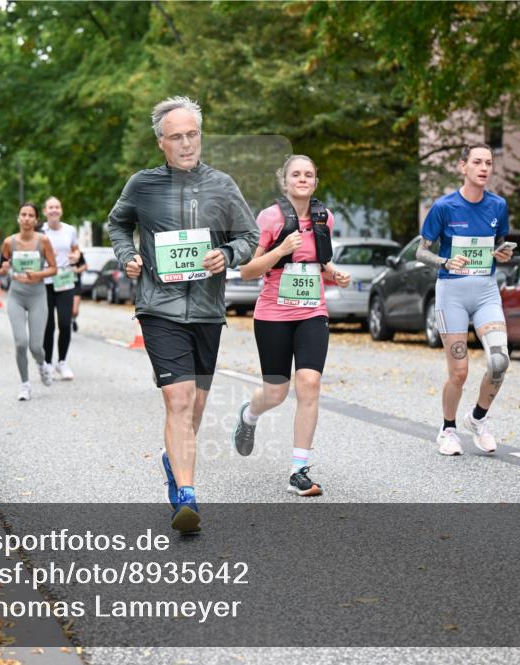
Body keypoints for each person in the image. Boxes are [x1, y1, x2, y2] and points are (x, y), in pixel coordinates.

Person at [107, 96, 259, 533]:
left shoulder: (222, 185)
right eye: (177, 137)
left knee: (195, 408)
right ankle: (187, 498)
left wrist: (227, 254)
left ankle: (174, 462)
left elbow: (249, 236)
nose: (187, 143)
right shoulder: (142, 185)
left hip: (207, 311)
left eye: (193, 134)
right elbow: (118, 224)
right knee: (178, 398)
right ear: (162, 142)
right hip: (160, 307)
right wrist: (128, 256)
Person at [231, 155, 351, 496]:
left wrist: (335, 274)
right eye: (296, 174)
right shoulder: (270, 217)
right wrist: (281, 248)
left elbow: (320, 263)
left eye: (308, 174)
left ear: (315, 182)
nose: (302, 179)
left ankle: (299, 470)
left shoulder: (324, 217)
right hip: (273, 314)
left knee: (309, 384)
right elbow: (248, 270)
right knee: (276, 393)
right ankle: (249, 415)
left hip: (313, 312)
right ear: (285, 182)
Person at [416, 143, 514, 456]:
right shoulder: (444, 207)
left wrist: (503, 254)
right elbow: (421, 251)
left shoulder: (498, 206)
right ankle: (447, 430)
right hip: (452, 295)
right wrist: (444, 261)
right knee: (459, 372)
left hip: (486, 292)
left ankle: (478, 418)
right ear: (463, 166)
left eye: (488, 162)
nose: (484, 168)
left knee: (499, 361)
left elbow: (500, 247)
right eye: (477, 162)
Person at [0, 203, 58, 400]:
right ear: (18, 218)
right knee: (20, 342)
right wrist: (4, 268)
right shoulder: (9, 242)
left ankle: (42, 364)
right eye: (23, 214)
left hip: (37, 295)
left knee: (35, 346)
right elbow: (1, 267)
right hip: (16, 295)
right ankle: (25, 384)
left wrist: (38, 274)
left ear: (36, 220)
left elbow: (54, 269)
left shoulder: (43, 241)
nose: (26, 218)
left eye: (30, 215)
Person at [41, 196, 80, 381]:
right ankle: (47, 363)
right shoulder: (40, 231)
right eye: (50, 207)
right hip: (45, 282)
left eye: (57, 207)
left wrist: (75, 256)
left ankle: (62, 362)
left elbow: (76, 249)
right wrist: (45, 254)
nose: (54, 210)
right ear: (45, 211)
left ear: (61, 210)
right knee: (48, 325)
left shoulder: (70, 230)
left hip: (64, 281)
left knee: (65, 323)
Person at [71, 247, 87, 333]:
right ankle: (66, 320)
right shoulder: (61, 253)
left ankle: (73, 319)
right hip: (64, 284)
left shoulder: (78, 254)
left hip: (76, 284)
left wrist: (77, 270)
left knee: (75, 310)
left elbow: (85, 266)